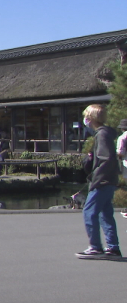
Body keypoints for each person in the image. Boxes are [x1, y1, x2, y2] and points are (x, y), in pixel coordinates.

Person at [76, 104, 121, 259]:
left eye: (87, 117)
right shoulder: (106, 134)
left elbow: (106, 159)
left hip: (102, 180)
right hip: (109, 180)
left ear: (91, 118)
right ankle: (113, 247)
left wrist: (96, 179)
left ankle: (96, 247)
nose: (85, 120)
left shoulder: (101, 135)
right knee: (105, 213)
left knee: (89, 211)